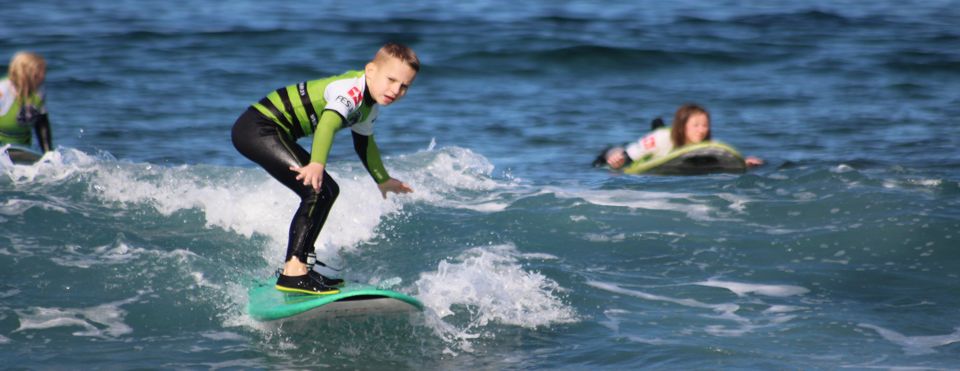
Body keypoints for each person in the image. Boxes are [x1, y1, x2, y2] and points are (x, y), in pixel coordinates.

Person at [232, 43, 419, 295]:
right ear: (371, 71)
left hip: (270, 131)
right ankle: (293, 272)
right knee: (318, 190)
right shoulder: (351, 90)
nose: (396, 90)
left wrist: (382, 179)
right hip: (257, 128)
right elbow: (328, 124)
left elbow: (364, 143)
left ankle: (301, 266)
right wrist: (317, 163)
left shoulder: (368, 106)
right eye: (391, 80)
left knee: (327, 190)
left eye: (404, 86)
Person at [604, 103, 763, 169]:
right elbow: (627, 157)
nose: (701, 130)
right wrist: (616, 160)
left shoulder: (710, 144)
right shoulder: (660, 138)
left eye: (705, 125)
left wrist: (744, 162)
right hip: (648, 150)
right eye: (695, 125)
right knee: (613, 152)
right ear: (682, 126)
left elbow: (726, 158)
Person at [0, 52, 53, 153]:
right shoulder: (3, 89)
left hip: (23, 147)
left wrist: (48, 152)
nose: (43, 76)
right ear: (28, 72)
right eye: (40, 72)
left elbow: (41, 123)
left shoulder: (39, 92)